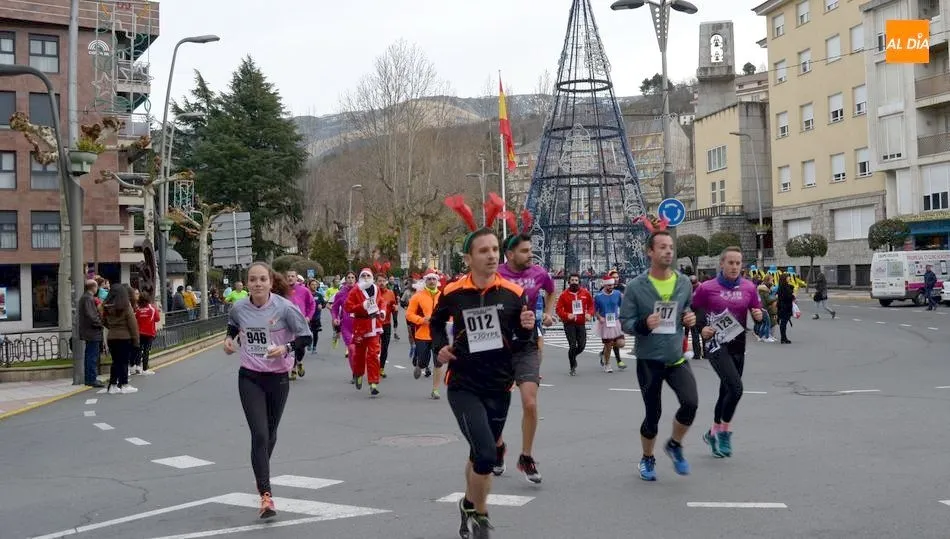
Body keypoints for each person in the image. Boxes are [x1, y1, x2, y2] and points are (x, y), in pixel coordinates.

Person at [431, 227, 537, 538]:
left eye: (494, 249)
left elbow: (522, 342)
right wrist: (440, 347)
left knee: (479, 454)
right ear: (468, 258)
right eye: (483, 250)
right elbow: (436, 322)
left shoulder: (513, 293)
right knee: (488, 454)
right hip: (464, 384)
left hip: (499, 386)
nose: (491, 255)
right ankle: (480, 514)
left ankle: (467, 504)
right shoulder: (453, 292)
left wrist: (527, 328)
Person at [223, 261, 312, 519]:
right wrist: (229, 339)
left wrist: (285, 348)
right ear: (247, 283)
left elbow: (305, 337)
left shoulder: (285, 308)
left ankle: (260, 469)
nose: (258, 284)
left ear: (271, 283)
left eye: (262, 279)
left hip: (278, 377)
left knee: (270, 435)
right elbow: (233, 325)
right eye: (253, 279)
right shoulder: (239, 307)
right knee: (259, 434)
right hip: (249, 376)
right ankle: (266, 494)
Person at [619, 228, 698, 481]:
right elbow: (625, 322)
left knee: (691, 403)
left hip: (675, 357)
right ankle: (647, 457)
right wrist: (643, 324)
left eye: (671, 247)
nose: (668, 252)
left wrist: (689, 318)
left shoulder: (683, 283)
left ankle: (674, 444)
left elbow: (687, 310)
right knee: (653, 414)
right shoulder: (635, 287)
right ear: (650, 252)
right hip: (649, 359)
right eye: (662, 247)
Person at [692, 247, 764, 459]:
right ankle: (724, 432)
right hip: (716, 345)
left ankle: (713, 433)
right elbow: (693, 312)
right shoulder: (707, 288)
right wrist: (701, 328)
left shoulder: (749, 287)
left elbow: (757, 313)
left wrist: (759, 316)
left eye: (738, 263)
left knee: (727, 391)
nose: (734, 267)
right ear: (721, 264)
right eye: (730, 262)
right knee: (736, 388)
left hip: (738, 345)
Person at [495, 233, 553, 483]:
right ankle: (498, 447)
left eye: (531, 250)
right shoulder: (496, 274)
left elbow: (551, 290)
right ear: (510, 254)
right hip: (499, 348)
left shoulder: (539, 273)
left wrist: (547, 313)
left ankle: (526, 457)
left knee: (530, 403)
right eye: (525, 251)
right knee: (495, 406)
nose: (531, 254)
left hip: (527, 346)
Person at [343, 268, 386, 395]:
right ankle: (358, 373)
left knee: (373, 354)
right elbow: (348, 307)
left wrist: (382, 311)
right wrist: (362, 306)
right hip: (360, 326)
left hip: (374, 325)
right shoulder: (355, 290)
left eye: (368, 275)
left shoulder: (376, 288)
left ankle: (373, 383)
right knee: (359, 354)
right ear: (360, 278)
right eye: (364, 276)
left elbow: (381, 301)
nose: (366, 278)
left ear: (372, 277)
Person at [406, 273, 444, 399]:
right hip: (422, 334)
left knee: (438, 362)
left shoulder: (443, 296)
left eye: (434, 279)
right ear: (425, 281)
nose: (432, 281)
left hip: (438, 335)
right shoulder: (417, 296)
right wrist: (422, 320)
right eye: (429, 279)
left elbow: (450, 314)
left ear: (437, 281)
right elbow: (409, 315)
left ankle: (435, 390)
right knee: (423, 361)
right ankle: (419, 365)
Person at [103, 283, 140, 394]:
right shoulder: (126, 306)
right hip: (124, 337)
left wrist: (112, 327)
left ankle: (113, 385)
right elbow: (133, 325)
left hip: (111, 337)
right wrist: (136, 340)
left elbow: (103, 321)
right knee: (124, 362)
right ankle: (124, 384)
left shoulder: (107, 307)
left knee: (115, 362)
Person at [555, 273, 593, 376]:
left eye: (576, 280)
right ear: (569, 282)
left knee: (582, 345)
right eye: (572, 280)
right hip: (569, 324)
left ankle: (572, 356)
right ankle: (572, 366)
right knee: (572, 345)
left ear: (579, 282)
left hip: (581, 323)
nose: (574, 282)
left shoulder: (585, 293)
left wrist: (589, 314)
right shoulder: (564, 295)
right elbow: (558, 309)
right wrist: (567, 315)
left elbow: (591, 305)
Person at [285, 270, 316, 379]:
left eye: (292, 276)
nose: (290, 278)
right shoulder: (283, 290)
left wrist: (308, 317)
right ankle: (293, 369)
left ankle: (299, 361)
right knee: (290, 345)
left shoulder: (304, 290)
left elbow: (312, 304)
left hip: (301, 323)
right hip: (287, 323)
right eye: (288, 276)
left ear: (296, 278)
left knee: (300, 346)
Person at [594, 275, 625, 373]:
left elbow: (622, 305)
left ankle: (603, 352)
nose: (611, 287)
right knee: (608, 346)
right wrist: (599, 317)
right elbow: (595, 310)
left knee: (621, 343)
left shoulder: (617, 294)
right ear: (604, 285)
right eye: (608, 285)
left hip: (616, 322)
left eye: (612, 285)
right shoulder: (598, 297)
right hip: (605, 323)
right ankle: (607, 364)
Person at [77, 279, 105, 388]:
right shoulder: (88, 298)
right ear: (93, 287)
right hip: (92, 332)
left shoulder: (85, 298)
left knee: (90, 355)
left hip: (90, 331)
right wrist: (100, 323)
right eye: (96, 287)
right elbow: (91, 316)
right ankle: (91, 379)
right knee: (92, 356)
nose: (97, 289)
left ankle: (90, 378)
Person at [331, 272, 357, 366]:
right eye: (348, 278)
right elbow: (334, 308)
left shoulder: (360, 291)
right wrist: (335, 318)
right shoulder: (340, 293)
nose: (350, 279)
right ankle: (355, 371)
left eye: (352, 277)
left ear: (356, 280)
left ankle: (358, 369)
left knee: (359, 350)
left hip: (360, 325)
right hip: (346, 326)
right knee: (351, 348)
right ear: (345, 280)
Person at [376, 274, 398, 378]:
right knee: (375, 348)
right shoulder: (373, 293)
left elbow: (394, 305)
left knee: (385, 347)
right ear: (376, 282)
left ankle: (381, 368)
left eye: (383, 281)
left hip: (386, 324)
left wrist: (395, 308)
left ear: (386, 282)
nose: (381, 283)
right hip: (375, 324)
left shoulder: (390, 293)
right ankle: (374, 367)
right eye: (379, 281)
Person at [133, 290, 160, 376]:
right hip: (149, 333)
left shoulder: (138, 309)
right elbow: (157, 319)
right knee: (146, 351)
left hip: (139, 332)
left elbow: (135, 319)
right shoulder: (152, 308)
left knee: (139, 349)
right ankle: (145, 369)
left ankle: (137, 367)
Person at [776, 274, 795, 344]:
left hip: (784, 306)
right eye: (788, 277)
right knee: (783, 323)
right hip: (784, 307)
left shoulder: (785, 286)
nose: (789, 278)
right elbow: (786, 297)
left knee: (784, 322)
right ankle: (783, 338)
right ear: (785, 278)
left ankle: (784, 337)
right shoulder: (783, 287)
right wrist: (792, 297)